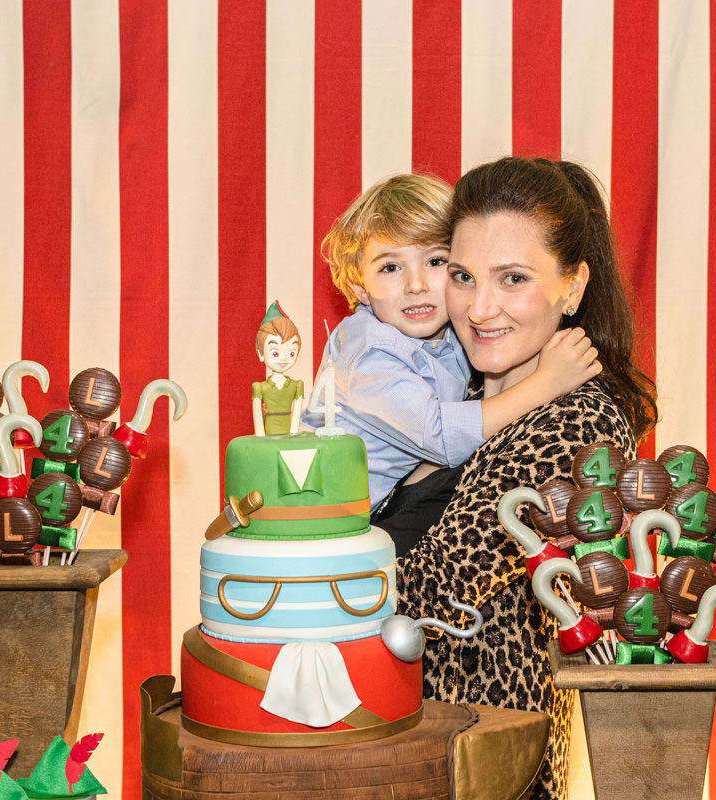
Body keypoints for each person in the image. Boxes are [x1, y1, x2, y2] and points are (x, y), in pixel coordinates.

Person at [392, 157, 657, 800]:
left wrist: (297, 581)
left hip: (482, 768)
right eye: (463, 276)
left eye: (512, 278)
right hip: (398, 753)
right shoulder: (450, 400)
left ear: (573, 287)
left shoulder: (579, 422)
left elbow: (435, 590)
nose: (480, 308)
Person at [302, 173, 599, 511]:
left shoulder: (452, 333)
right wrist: (546, 383)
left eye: (435, 262)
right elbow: (441, 436)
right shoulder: (370, 353)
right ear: (359, 286)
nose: (415, 285)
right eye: (390, 267)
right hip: (314, 517)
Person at [252, 302, 304, 436]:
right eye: (275, 353)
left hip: (289, 438)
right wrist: (260, 436)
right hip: (269, 437)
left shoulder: (296, 386)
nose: (284, 359)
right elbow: (258, 422)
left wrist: (293, 433)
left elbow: (296, 416)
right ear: (260, 353)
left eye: (291, 353)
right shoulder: (260, 387)